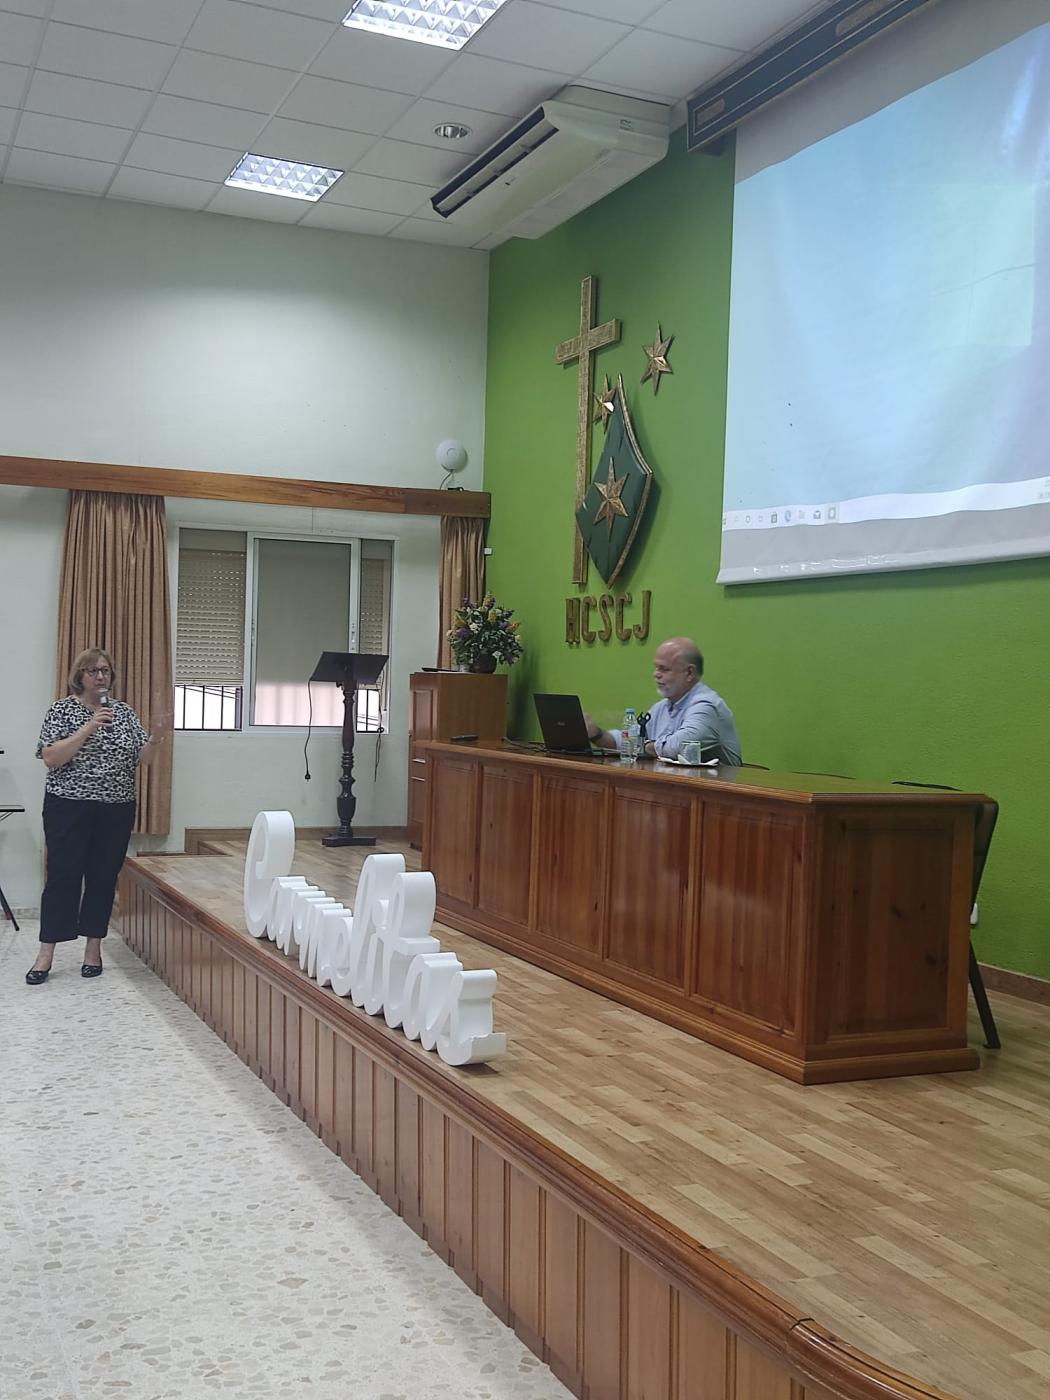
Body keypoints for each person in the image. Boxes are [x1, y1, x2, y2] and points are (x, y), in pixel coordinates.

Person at [25, 648, 168, 986]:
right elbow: (50, 757)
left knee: (103, 877)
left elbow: (143, 759)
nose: (100, 676)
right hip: (68, 805)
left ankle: (93, 949)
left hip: (115, 807)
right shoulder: (62, 710)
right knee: (63, 876)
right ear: (80, 676)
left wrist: (157, 737)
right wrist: (89, 727)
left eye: (104, 670)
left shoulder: (124, 712)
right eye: (92, 671)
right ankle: (46, 953)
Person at [584, 636, 742, 765]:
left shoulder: (706, 706)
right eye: (656, 667)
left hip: (713, 796)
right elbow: (629, 743)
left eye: (664, 669)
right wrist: (595, 733)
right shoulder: (660, 708)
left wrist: (645, 746)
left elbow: (678, 746)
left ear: (689, 673)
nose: (656, 674)